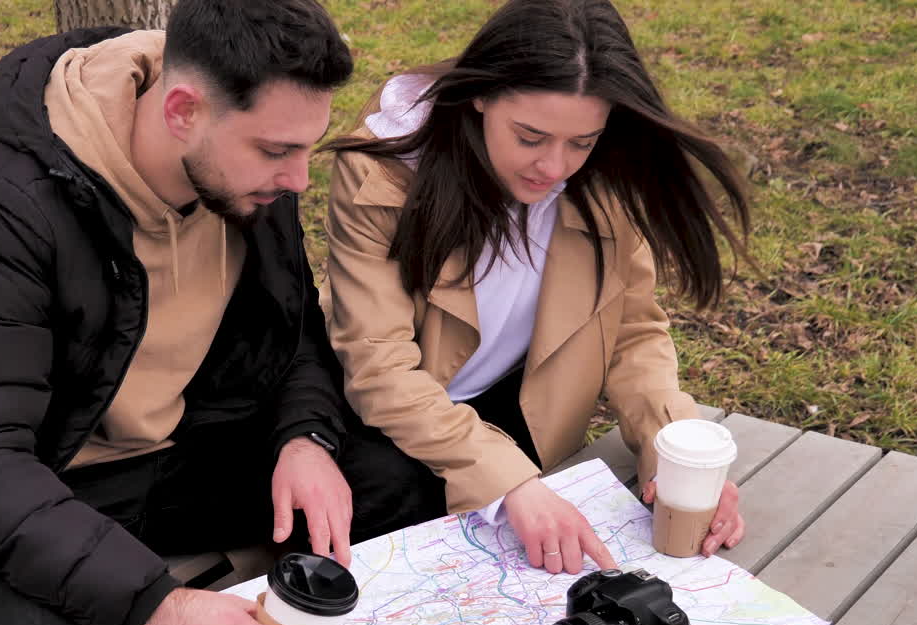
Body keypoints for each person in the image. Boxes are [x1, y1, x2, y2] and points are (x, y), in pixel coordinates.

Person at [0, 2, 445, 625]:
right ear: (182, 109)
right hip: (28, 486)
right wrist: (160, 606)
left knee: (397, 482)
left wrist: (304, 436)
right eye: (278, 151)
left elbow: (294, 331)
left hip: (176, 458)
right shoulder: (3, 206)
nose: (300, 180)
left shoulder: (240, 174)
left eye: (308, 148)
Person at [320, 0, 750, 578]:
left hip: (516, 402)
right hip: (390, 419)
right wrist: (510, 482)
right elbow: (380, 368)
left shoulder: (606, 178)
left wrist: (670, 450)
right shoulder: (389, 173)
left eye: (581, 142)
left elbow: (633, 333)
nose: (554, 166)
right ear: (481, 95)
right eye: (530, 136)